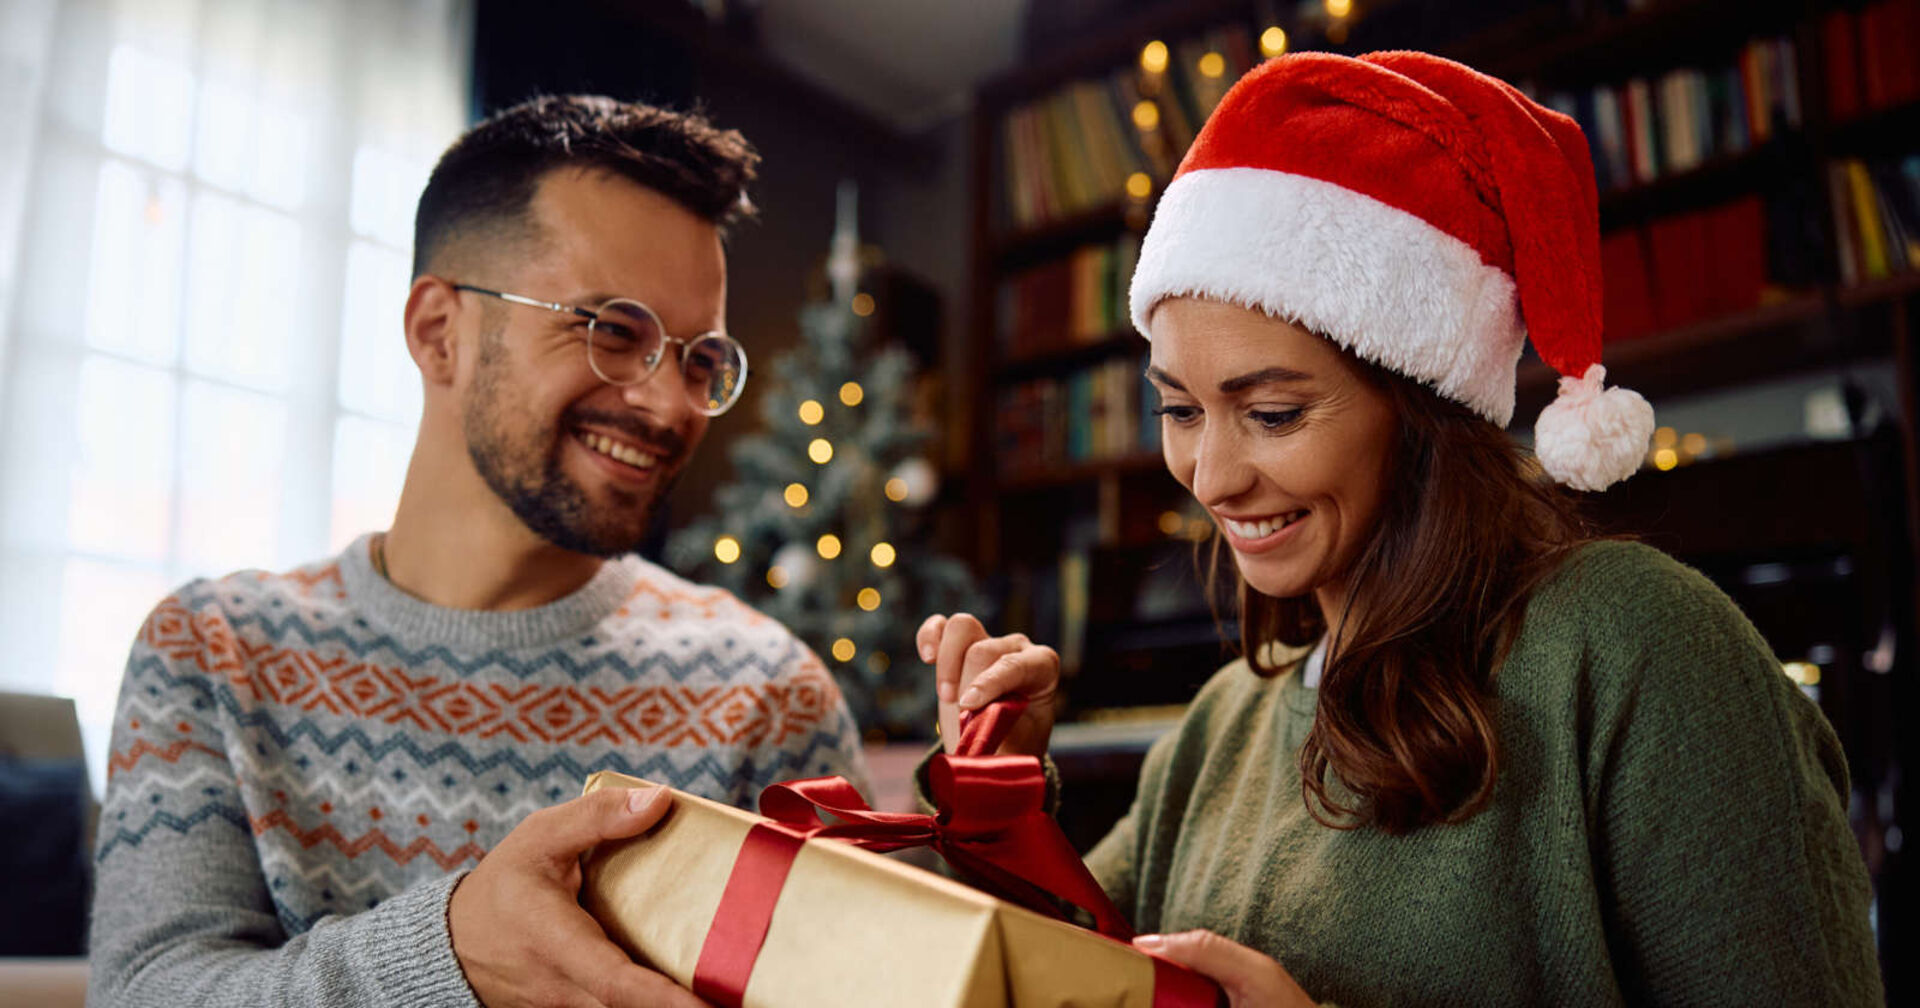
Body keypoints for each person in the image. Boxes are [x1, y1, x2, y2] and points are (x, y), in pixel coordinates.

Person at [918, 51, 1884, 1006]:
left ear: (1423, 414)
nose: (1210, 479)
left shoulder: (1638, 649)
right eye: (1179, 410)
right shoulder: (1220, 726)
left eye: (1274, 414)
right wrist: (994, 795)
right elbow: (1059, 972)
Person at [89, 94, 869, 1008]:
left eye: (700, 360)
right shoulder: (209, 651)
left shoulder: (767, 694)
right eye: (614, 331)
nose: (669, 406)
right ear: (437, 332)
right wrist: (451, 955)